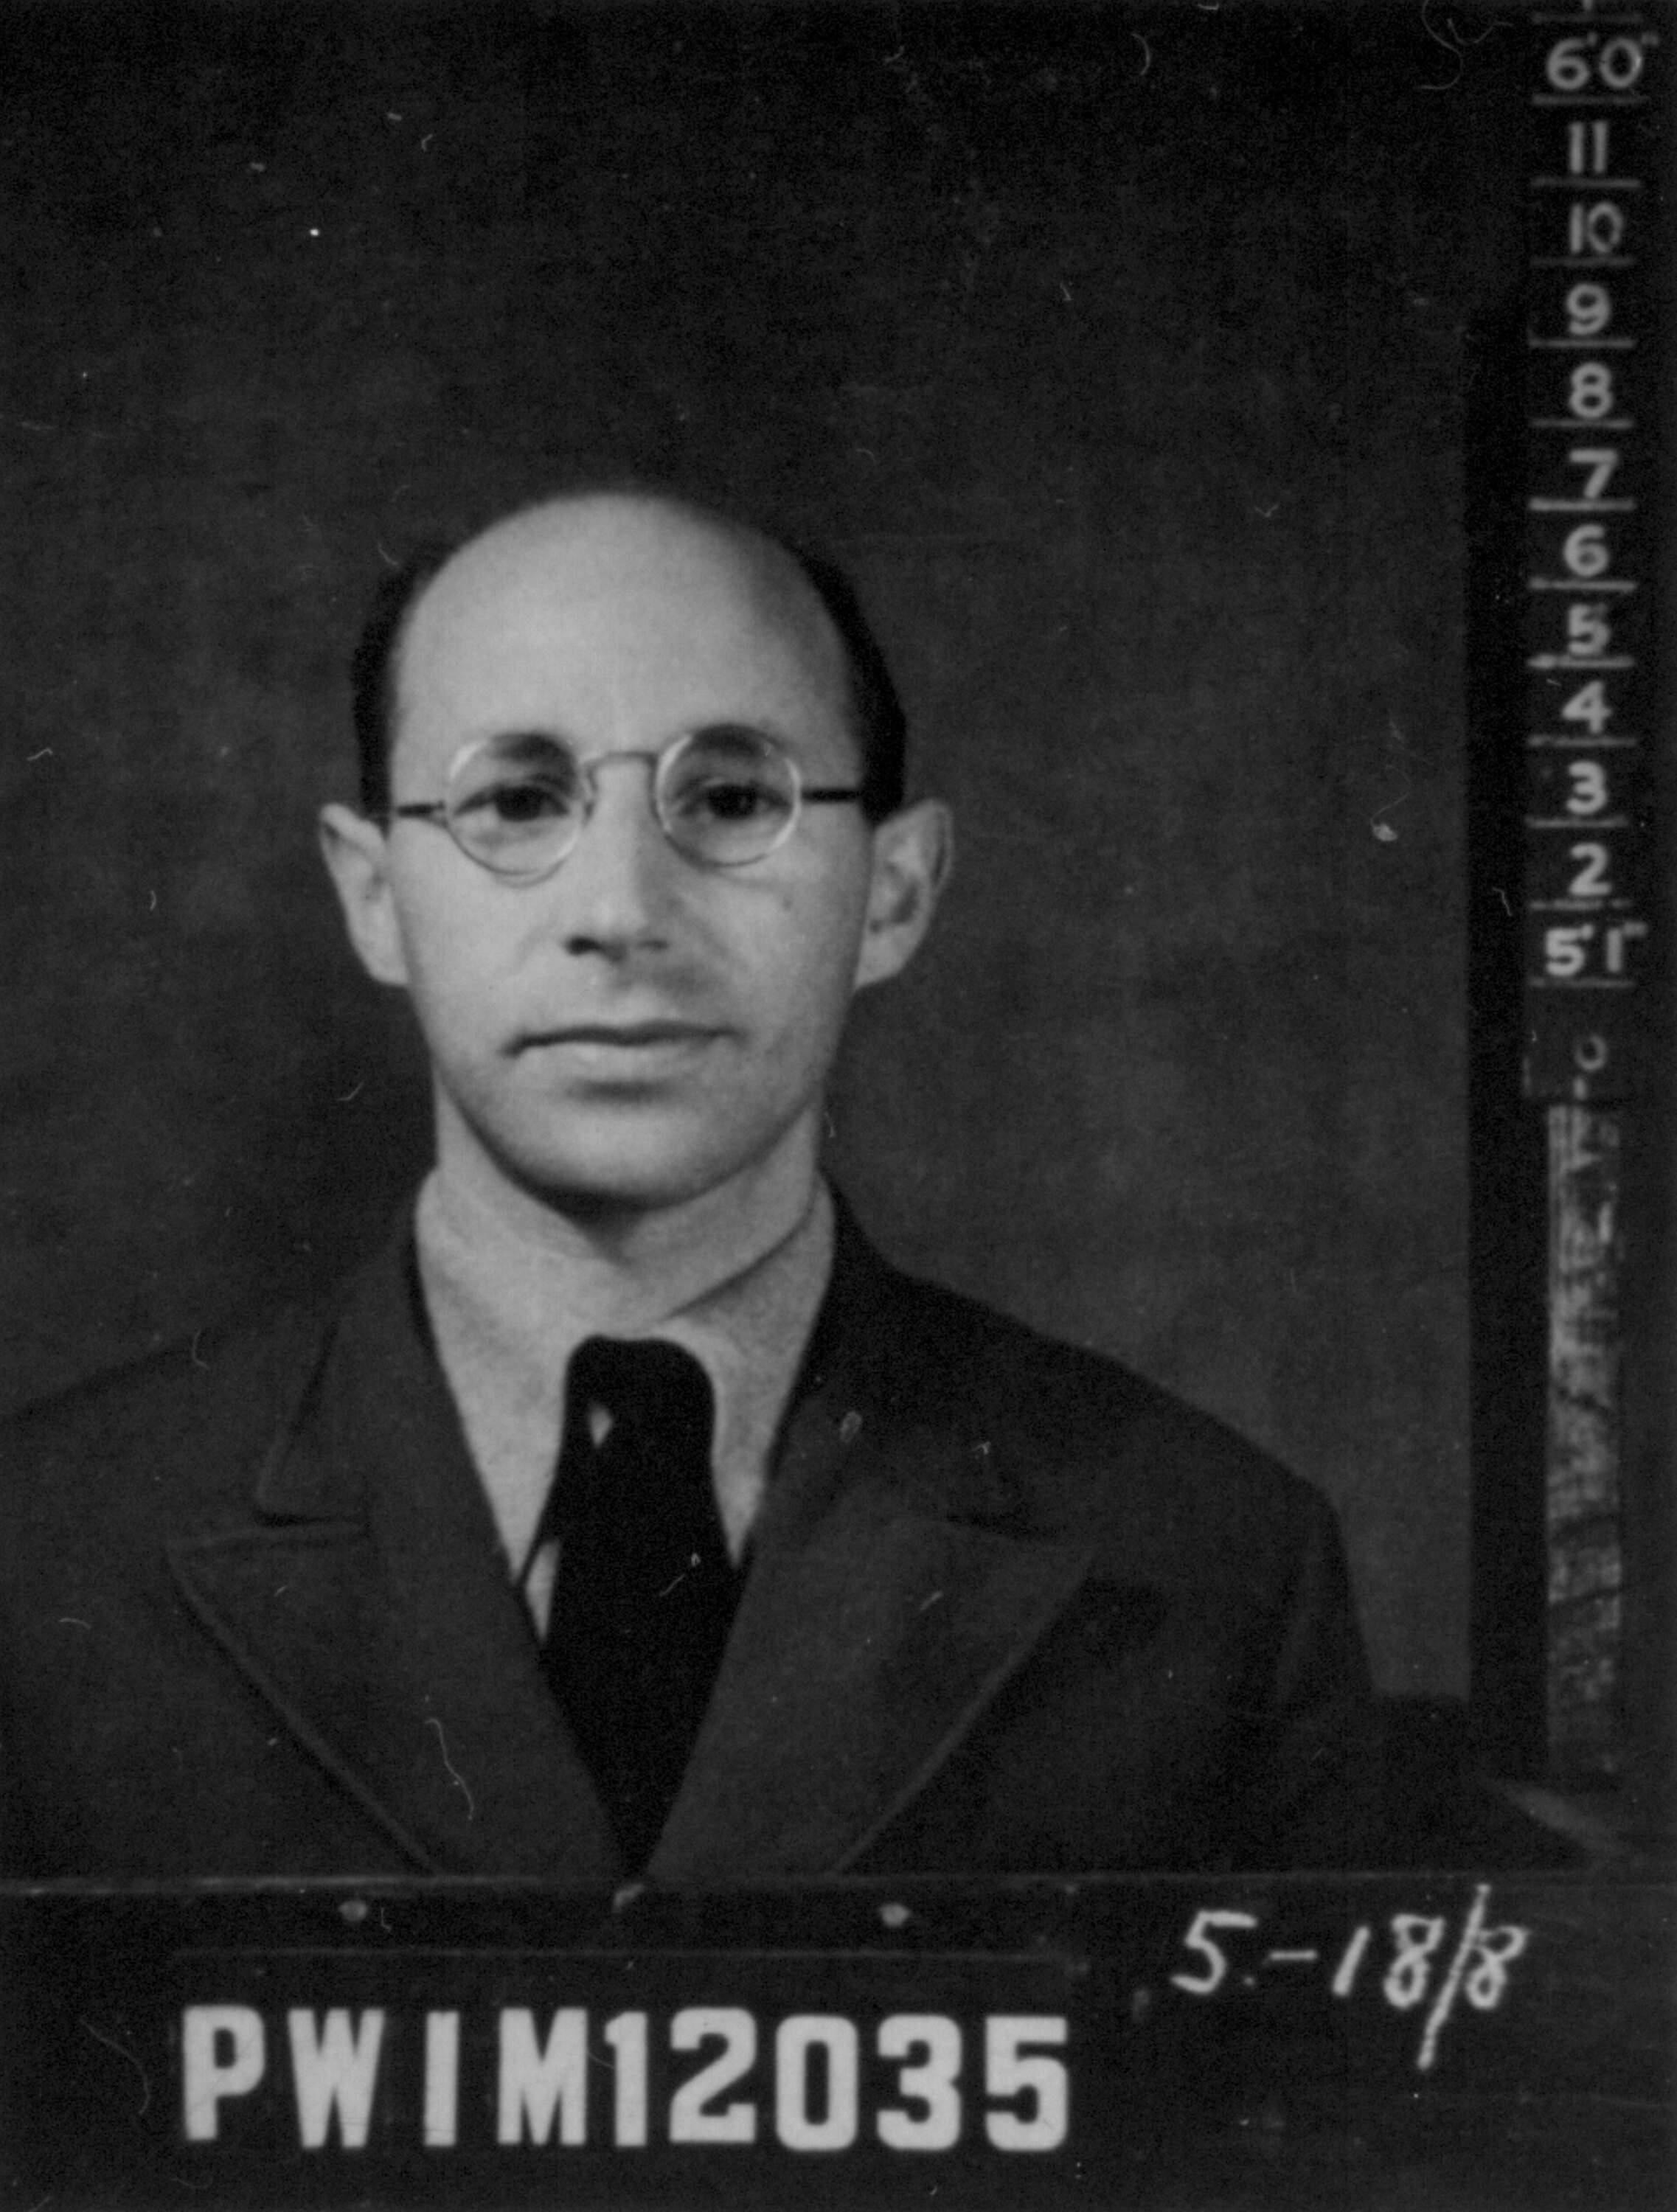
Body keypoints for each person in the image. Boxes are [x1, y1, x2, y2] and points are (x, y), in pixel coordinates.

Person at [0, 487, 1378, 1880]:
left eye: (730, 800)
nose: (621, 912)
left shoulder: (1215, 1564)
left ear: (894, 891)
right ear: (374, 896)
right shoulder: (40, 1553)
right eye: (516, 801)